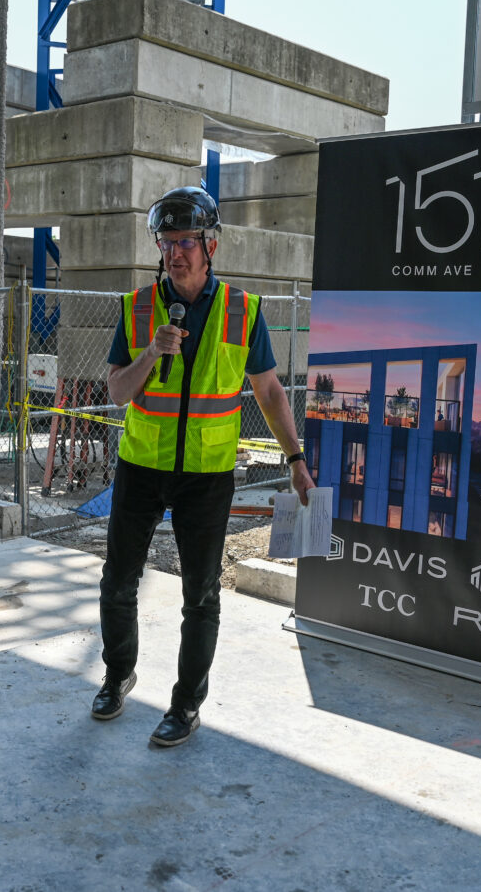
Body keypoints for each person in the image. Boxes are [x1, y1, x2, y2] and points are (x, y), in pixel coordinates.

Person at [92, 185, 314, 747]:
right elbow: (116, 390)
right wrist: (151, 352)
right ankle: (118, 675)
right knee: (117, 583)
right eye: (167, 242)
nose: (176, 253)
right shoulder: (138, 309)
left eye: (187, 241)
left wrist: (295, 457)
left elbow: (268, 391)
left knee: (201, 595)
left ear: (211, 244)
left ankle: (185, 705)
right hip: (141, 465)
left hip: (208, 475)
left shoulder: (244, 311)